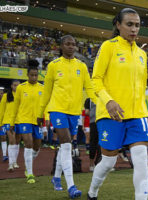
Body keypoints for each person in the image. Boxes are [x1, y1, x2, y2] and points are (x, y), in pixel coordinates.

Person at [87, 8, 148, 200]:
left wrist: (145, 111)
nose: (134, 29)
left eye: (137, 25)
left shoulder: (142, 54)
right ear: (118, 25)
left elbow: (141, 87)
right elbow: (95, 80)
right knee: (108, 162)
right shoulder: (109, 46)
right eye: (129, 24)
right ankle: (93, 192)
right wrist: (109, 101)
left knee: (141, 159)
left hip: (137, 115)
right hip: (111, 114)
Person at [37, 35, 97, 198]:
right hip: (57, 109)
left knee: (66, 146)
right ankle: (71, 186)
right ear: (61, 46)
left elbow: (90, 89)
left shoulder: (82, 66)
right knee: (66, 143)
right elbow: (47, 91)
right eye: (68, 44)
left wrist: (101, 102)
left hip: (74, 112)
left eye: (74, 44)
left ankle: (56, 178)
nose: (71, 47)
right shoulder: (53, 65)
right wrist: (40, 113)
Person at [10, 60, 44, 183]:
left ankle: (28, 163)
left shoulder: (42, 88)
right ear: (27, 75)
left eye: (36, 75)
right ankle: (29, 173)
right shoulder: (20, 88)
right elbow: (15, 106)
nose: (34, 77)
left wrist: (46, 123)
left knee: (37, 146)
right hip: (24, 120)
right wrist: (12, 122)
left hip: (37, 121)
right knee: (28, 144)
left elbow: (45, 106)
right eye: (32, 75)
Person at [0, 80, 20, 171]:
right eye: (14, 85)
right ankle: (10, 164)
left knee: (16, 142)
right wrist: (0, 123)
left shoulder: (21, 95)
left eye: (18, 85)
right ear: (11, 86)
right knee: (11, 140)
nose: (16, 87)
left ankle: (15, 162)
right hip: (8, 121)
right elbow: (1, 110)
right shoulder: (6, 96)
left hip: (19, 121)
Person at [84, 98, 102, 172]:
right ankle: (92, 164)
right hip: (97, 122)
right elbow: (86, 112)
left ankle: (95, 164)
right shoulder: (89, 100)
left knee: (98, 143)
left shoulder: (89, 99)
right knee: (95, 143)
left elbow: (87, 112)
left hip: (99, 122)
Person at [0, 86, 8, 161]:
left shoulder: (6, 102)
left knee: (3, 138)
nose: (0, 94)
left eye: (2, 93)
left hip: (2, 123)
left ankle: (4, 155)